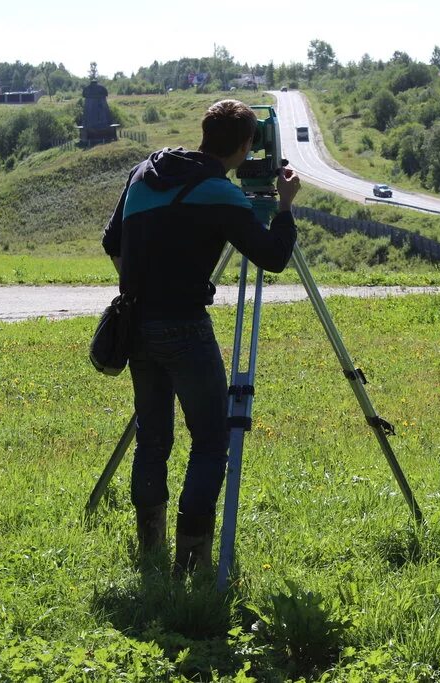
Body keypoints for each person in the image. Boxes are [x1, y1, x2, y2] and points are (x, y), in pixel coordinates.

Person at [101, 99, 301, 574]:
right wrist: (286, 207)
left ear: (205, 132)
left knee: (153, 439)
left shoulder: (143, 172)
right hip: (185, 327)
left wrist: (141, 284)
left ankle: (151, 547)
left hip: (139, 325)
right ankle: (192, 562)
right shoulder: (221, 194)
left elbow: (113, 242)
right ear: (247, 145)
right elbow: (272, 257)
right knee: (211, 440)